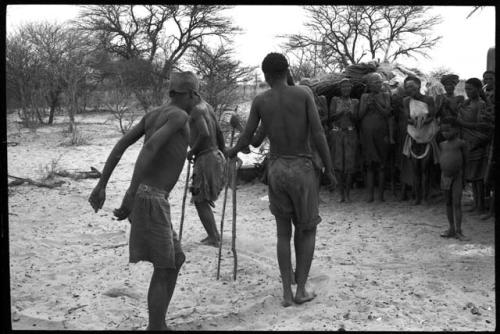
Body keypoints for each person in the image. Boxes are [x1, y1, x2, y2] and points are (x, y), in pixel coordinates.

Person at [88, 71, 199, 330]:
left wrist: (102, 184)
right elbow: (149, 149)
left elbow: (120, 146)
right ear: (191, 94)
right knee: (164, 266)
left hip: (150, 198)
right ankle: (155, 327)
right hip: (150, 198)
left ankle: (158, 325)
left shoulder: (153, 115)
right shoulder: (179, 116)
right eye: (197, 94)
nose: (198, 100)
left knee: (176, 259)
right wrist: (130, 194)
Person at [227, 53, 336, 307]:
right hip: (302, 167)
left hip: (276, 169)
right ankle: (301, 291)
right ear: (288, 71)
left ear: (265, 76)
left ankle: (287, 292)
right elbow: (318, 133)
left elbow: (250, 141)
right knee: (307, 228)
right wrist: (330, 170)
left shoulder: (261, 100)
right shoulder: (303, 93)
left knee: (282, 233)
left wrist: (232, 150)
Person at [187, 98, 226, 247]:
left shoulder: (196, 109)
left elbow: (204, 133)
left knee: (200, 199)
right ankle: (214, 234)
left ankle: (213, 237)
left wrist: (192, 151)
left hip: (206, 158)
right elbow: (219, 131)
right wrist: (224, 154)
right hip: (215, 155)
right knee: (201, 198)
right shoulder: (207, 106)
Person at [457, 78, 494, 214]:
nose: (467, 92)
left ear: (478, 90)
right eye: (466, 89)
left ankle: (480, 206)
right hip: (468, 142)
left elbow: (481, 126)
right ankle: (476, 203)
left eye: (470, 89)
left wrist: (462, 123)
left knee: (478, 177)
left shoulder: (481, 104)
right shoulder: (467, 103)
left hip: (477, 143)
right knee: (472, 176)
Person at [402, 76, 440, 205]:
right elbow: (407, 117)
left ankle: (425, 197)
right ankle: (417, 197)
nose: (409, 89)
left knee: (425, 169)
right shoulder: (406, 101)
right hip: (413, 136)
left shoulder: (428, 99)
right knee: (415, 169)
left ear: (418, 86)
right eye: (407, 87)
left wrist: (422, 122)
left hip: (427, 136)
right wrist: (413, 122)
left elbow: (432, 116)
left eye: (412, 87)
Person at [359, 72, 392, 202]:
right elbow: (359, 116)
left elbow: (387, 113)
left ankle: (381, 196)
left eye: (379, 82)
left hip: (382, 133)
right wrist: (367, 105)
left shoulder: (385, 95)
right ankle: (370, 195)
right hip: (367, 133)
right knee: (369, 164)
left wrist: (376, 104)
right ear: (369, 84)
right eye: (375, 82)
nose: (378, 84)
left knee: (382, 164)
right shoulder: (364, 97)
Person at [329, 78, 359, 202]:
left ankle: (347, 194)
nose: (346, 89)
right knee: (338, 165)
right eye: (343, 87)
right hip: (337, 133)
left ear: (351, 88)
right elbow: (330, 117)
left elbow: (358, 120)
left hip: (350, 133)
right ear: (340, 88)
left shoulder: (355, 102)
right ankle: (341, 194)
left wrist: (351, 114)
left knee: (349, 166)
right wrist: (340, 113)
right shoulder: (335, 101)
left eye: (348, 86)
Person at [438, 117, 468, 240]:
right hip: (445, 177)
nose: (445, 133)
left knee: (457, 203)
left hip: (457, 177)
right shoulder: (442, 145)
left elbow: (465, 161)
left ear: (456, 129)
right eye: (443, 131)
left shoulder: (461, 143)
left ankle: (459, 230)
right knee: (448, 203)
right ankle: (451, 228)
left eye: (448, 130)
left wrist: (465, 177)